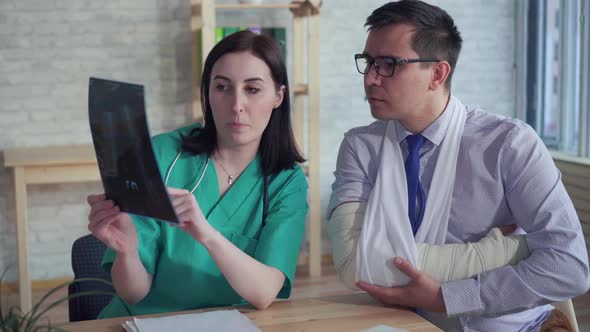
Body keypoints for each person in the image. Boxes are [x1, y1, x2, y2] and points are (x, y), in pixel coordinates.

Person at [328, 1, 589, 331]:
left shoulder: (508, 145)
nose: (370, 78)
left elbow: (570, 266)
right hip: (404, 323)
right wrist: (503, 250)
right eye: (368, 62)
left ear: (437, 73)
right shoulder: (360, 147)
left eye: (389, 64)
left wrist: (447, 297)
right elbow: (355, 264)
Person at [87, 30, 308, 318]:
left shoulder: (287, 182)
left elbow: (264, 293)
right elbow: (134, 292)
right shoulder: (161, 155)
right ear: (208, 93)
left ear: (278, 96)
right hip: (145, 323)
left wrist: (207, 234)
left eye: (252, 89)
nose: (236, 105)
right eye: (222, 87)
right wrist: (127, 251)